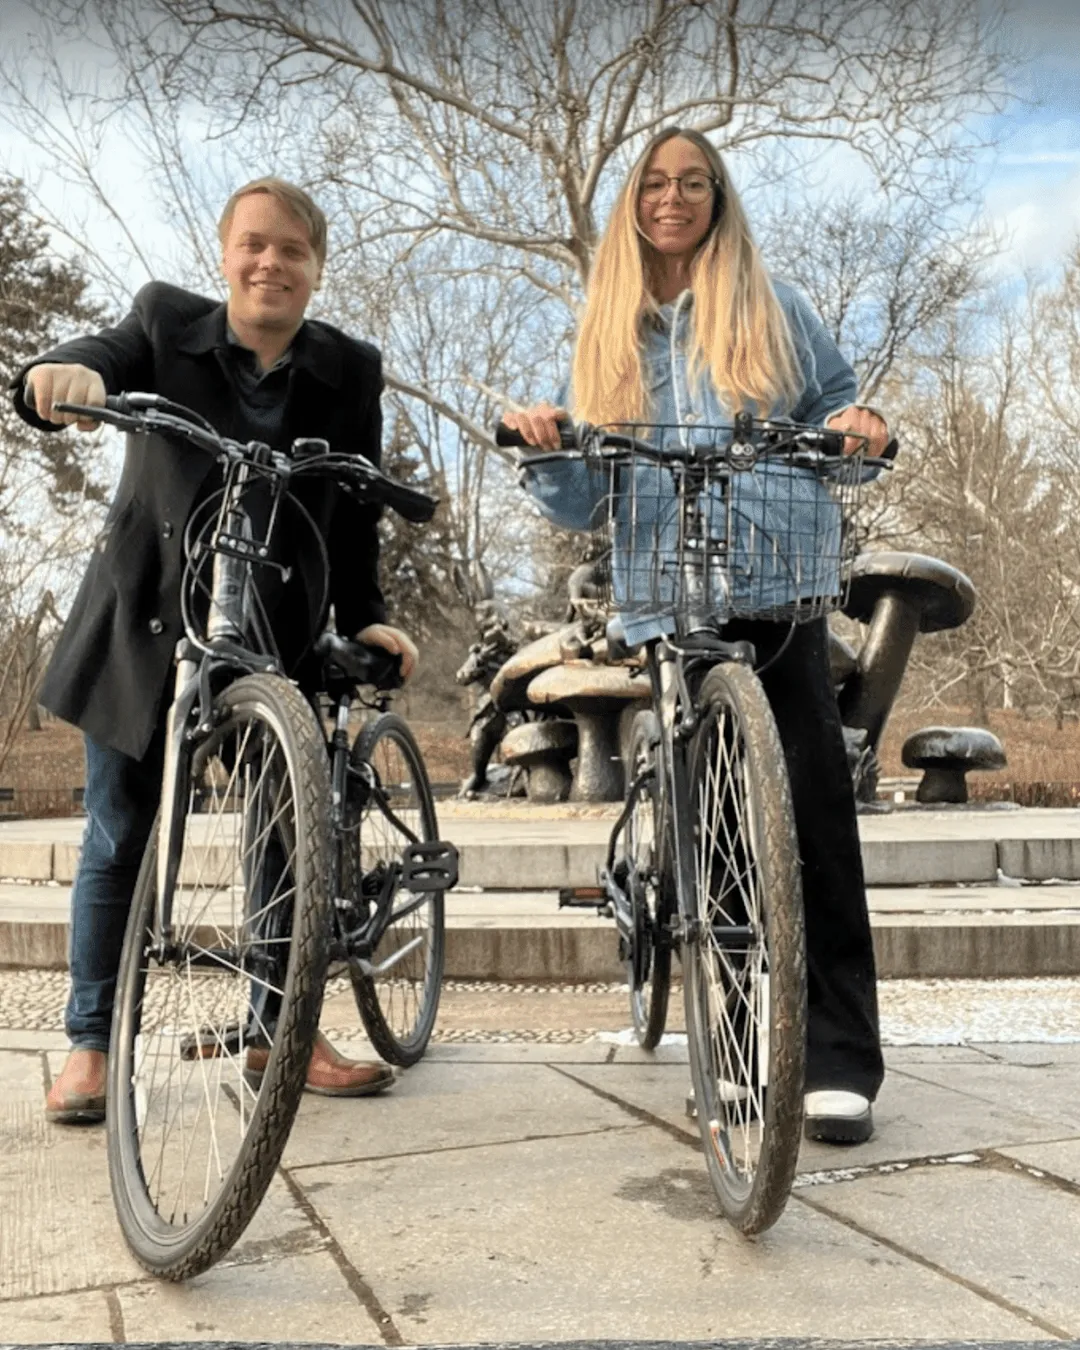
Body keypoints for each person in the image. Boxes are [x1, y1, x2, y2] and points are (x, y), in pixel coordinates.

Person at [502, 127, 890, 1145]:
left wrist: (865, 426)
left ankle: (840, 1057)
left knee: (811, 819)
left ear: (718, 199)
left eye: (694, 184)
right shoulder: (608, 335)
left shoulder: (773, 306)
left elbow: (843, 413)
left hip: (781, 586)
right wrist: (549, 444)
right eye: (657, 184)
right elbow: (586, 497)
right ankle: (744, 1043)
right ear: (635, 203)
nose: (674, 198)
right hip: (671, 597)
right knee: (714, 836)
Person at [11, 177, 418, 1123]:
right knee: (119, 831)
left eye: (292, 250)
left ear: (316, 268)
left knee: (287, 824)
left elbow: (354, 512)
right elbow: (94, 358)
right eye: (254, 245)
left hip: (271, 629)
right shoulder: (163, 324)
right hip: (146, 618)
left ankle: (280, 1030)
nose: (270, 262)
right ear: (227, 253)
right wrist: (57, 376)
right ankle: (89, 1045)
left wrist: (363, 614)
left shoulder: (351, 369)